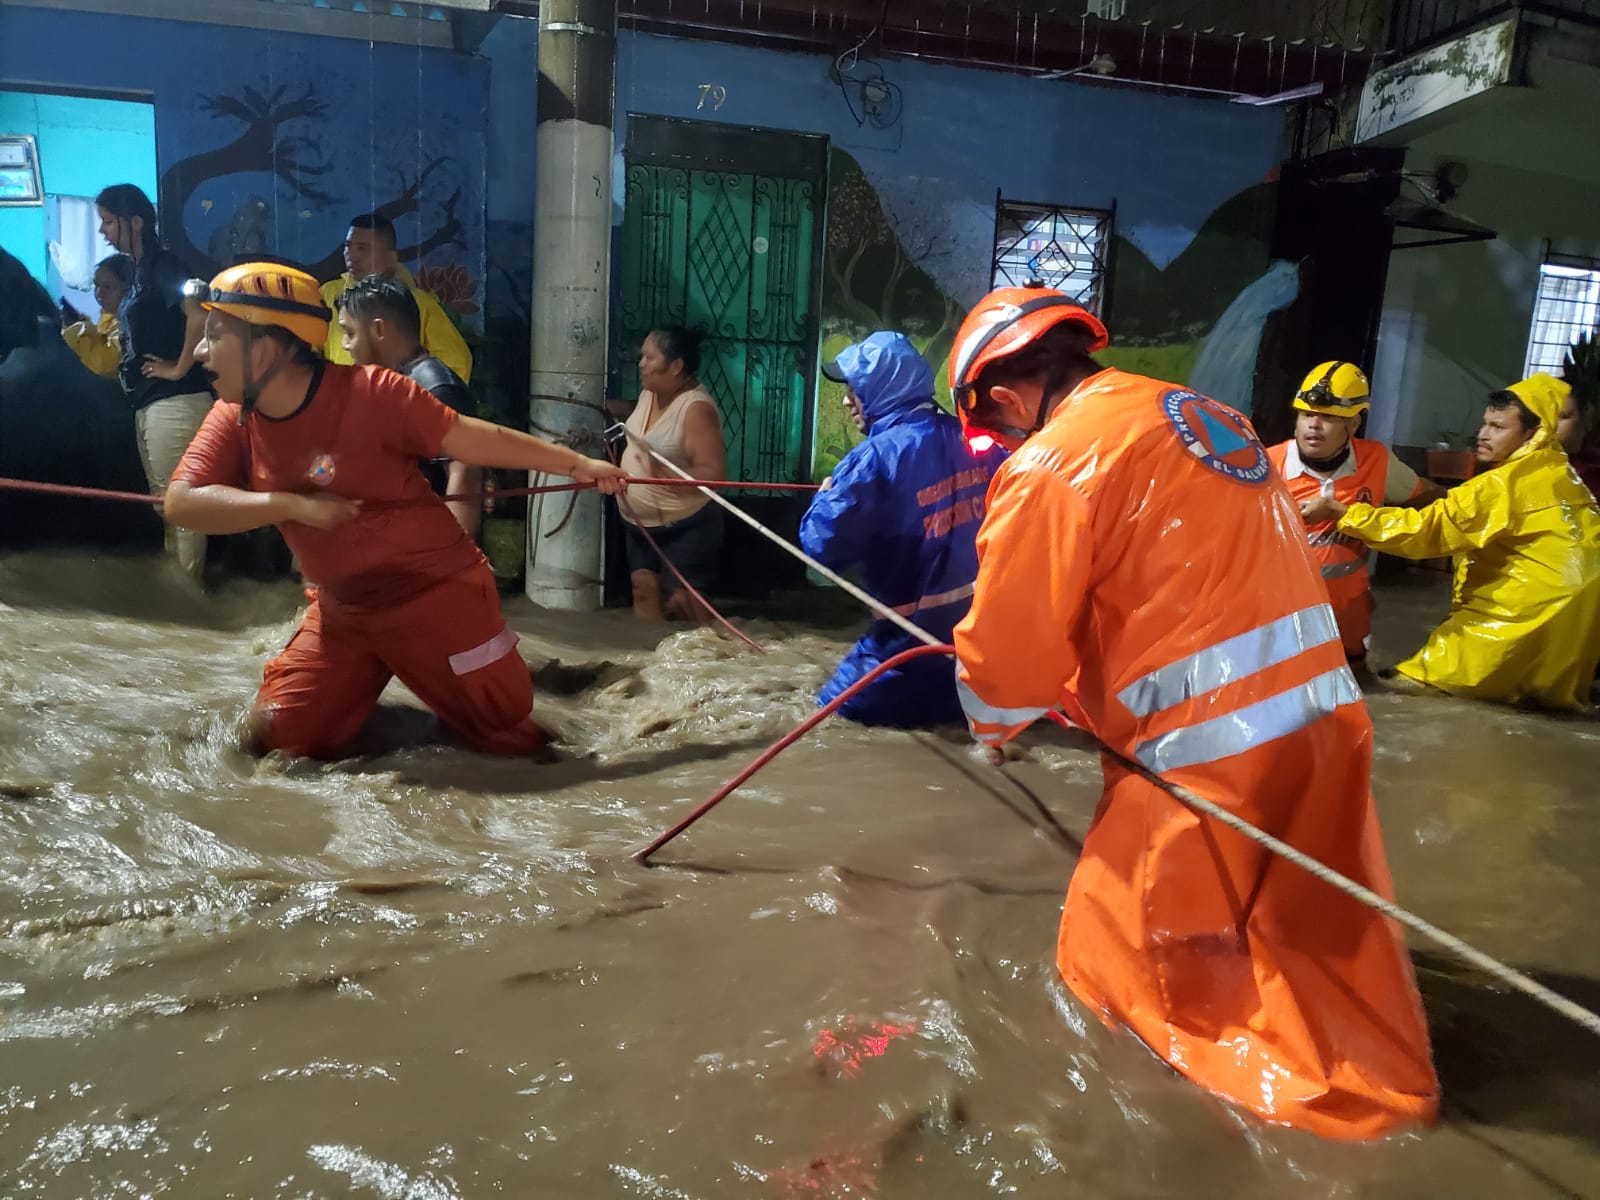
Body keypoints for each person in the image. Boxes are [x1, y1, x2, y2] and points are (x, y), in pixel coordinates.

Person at [946, 284, 1438, 1140]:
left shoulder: (1052, 462)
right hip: (1327, 717)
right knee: (1307, 925)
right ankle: (1367, 1061)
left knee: (1119, 970)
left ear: (1004, 394)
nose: (1004, 443)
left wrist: (993, 723)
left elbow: (1009, 651)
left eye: (997, 428)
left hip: (1203, 756)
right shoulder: (1206, 417)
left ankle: (1338, 1122)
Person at [163, 262, 628, 760]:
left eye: (216, 334)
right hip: (344, 610)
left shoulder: (376, 393)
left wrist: (577, 463)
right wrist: (291, 504)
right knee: (278, 742)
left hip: (436, 597)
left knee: (509, 734)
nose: (198, 351)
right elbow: (182, 502)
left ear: (268, 345)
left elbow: (475, 439)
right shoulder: (232, 416)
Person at [1301, 374, 1600, 710]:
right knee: (1541, 706)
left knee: (1408, 686)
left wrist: (1345, 513)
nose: (1484, 434)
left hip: (1523, 613)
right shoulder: (1562, 473)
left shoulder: (1502, 485)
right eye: (1485, 424)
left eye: (1498, 428)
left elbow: (1424, 532)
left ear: (1533, 432)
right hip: (1581, 623)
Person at [797, 331, 1003, 725]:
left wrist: (825, 499)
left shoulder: (873, 461)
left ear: (880, 389)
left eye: (854, 390)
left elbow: (822, 550)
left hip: (902, 656)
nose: (846, 401)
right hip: (977, 660)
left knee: (825, 721)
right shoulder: (979, 442)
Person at [1267, 361, 1444, 664]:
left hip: (1348, 622)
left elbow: (1428, 496)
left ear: (1353, 424)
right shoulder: (1268, 467)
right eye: (1307, 415)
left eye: (1328, 417)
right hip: (1281, 620)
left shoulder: (1376, 461)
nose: (1313, 425)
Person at [96, 183, 213, 578]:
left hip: (176, 397)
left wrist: (178, 367)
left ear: (136, 222)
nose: (103, 231)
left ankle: (190, 593)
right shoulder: (141, 271)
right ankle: (179, 586)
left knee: (178, 501)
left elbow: (199, 313)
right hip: (150, 400)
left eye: (108, 222)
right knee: (164, 502)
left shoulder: (165, 265)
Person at [335, 274, 482, 538]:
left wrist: (454, 559)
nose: (345, 345)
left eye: (349, 333)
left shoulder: (435, 387)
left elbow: (465, 474)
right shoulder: (392, 383)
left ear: (379, 330)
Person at [617, 326, 727, 622]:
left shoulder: (696, 410)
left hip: (687, 525)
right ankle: (647, 661)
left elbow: (713, 475)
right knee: (643, 589)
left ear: (676, 366)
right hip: (639, 524)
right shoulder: (648, 393)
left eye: (649, 357)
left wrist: (664, 474)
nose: (641, 363)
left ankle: (707, 660)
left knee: (683, 602)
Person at [319, 213, 472, 382]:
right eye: (348, 246)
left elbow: (457, 362)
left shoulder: (417, 302)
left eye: (362, 248)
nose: (351, 255)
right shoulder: (328, 293)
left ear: (390, 257)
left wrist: (414, 398)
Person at [61, 254, 135, 377]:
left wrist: (81, 330)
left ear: (128, 289)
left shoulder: (129, 323)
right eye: (96, 285)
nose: (99, 294)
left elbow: (104, 364)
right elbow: (103, 338)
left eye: (108, 287)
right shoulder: (109, 317)